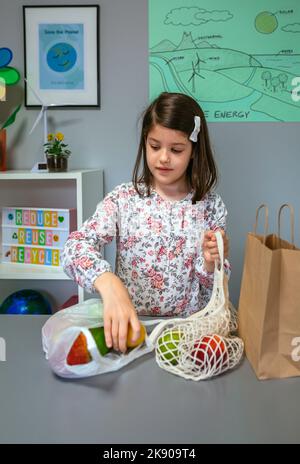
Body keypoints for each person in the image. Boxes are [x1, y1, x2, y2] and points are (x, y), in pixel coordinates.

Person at [62, 92, 230, 354]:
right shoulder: (123, 199)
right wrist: (107, 282)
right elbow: (74, 248)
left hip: (189, 335)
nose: (163, 158)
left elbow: (217, 287)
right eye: (154, 146)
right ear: (144, 143)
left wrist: (211, 263)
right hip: (131, 334)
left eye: (176, 150)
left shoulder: (210, 205)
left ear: (194, 151)